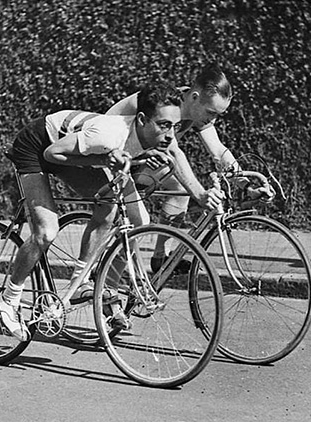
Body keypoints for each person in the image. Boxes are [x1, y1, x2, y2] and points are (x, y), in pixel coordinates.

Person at [0, 82, 221, 341]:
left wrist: (198, 194)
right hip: (38, 147)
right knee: (46, 232)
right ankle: (9, 297)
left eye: (175, 126)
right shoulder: (108, 134)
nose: (171, 135)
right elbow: (52, 153)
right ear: (142, 120)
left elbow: (171, 154)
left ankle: (80, 282)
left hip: (73, 149)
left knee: (125, 211)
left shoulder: (155, 135)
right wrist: (104, 160)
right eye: (164, 125)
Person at [107, 63, 274, 270]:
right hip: (108, 160)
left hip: (135, 159)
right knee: (138, 222)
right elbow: (174, 152)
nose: (213, 119)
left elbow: (218, 150)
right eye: (211, 112)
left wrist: (246, 185)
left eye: (218, 115)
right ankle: (107, 280)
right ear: (194, 97)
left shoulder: (193, 109)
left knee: (179, 189)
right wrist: (201, 194)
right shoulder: (167, 105)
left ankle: (161, 257)